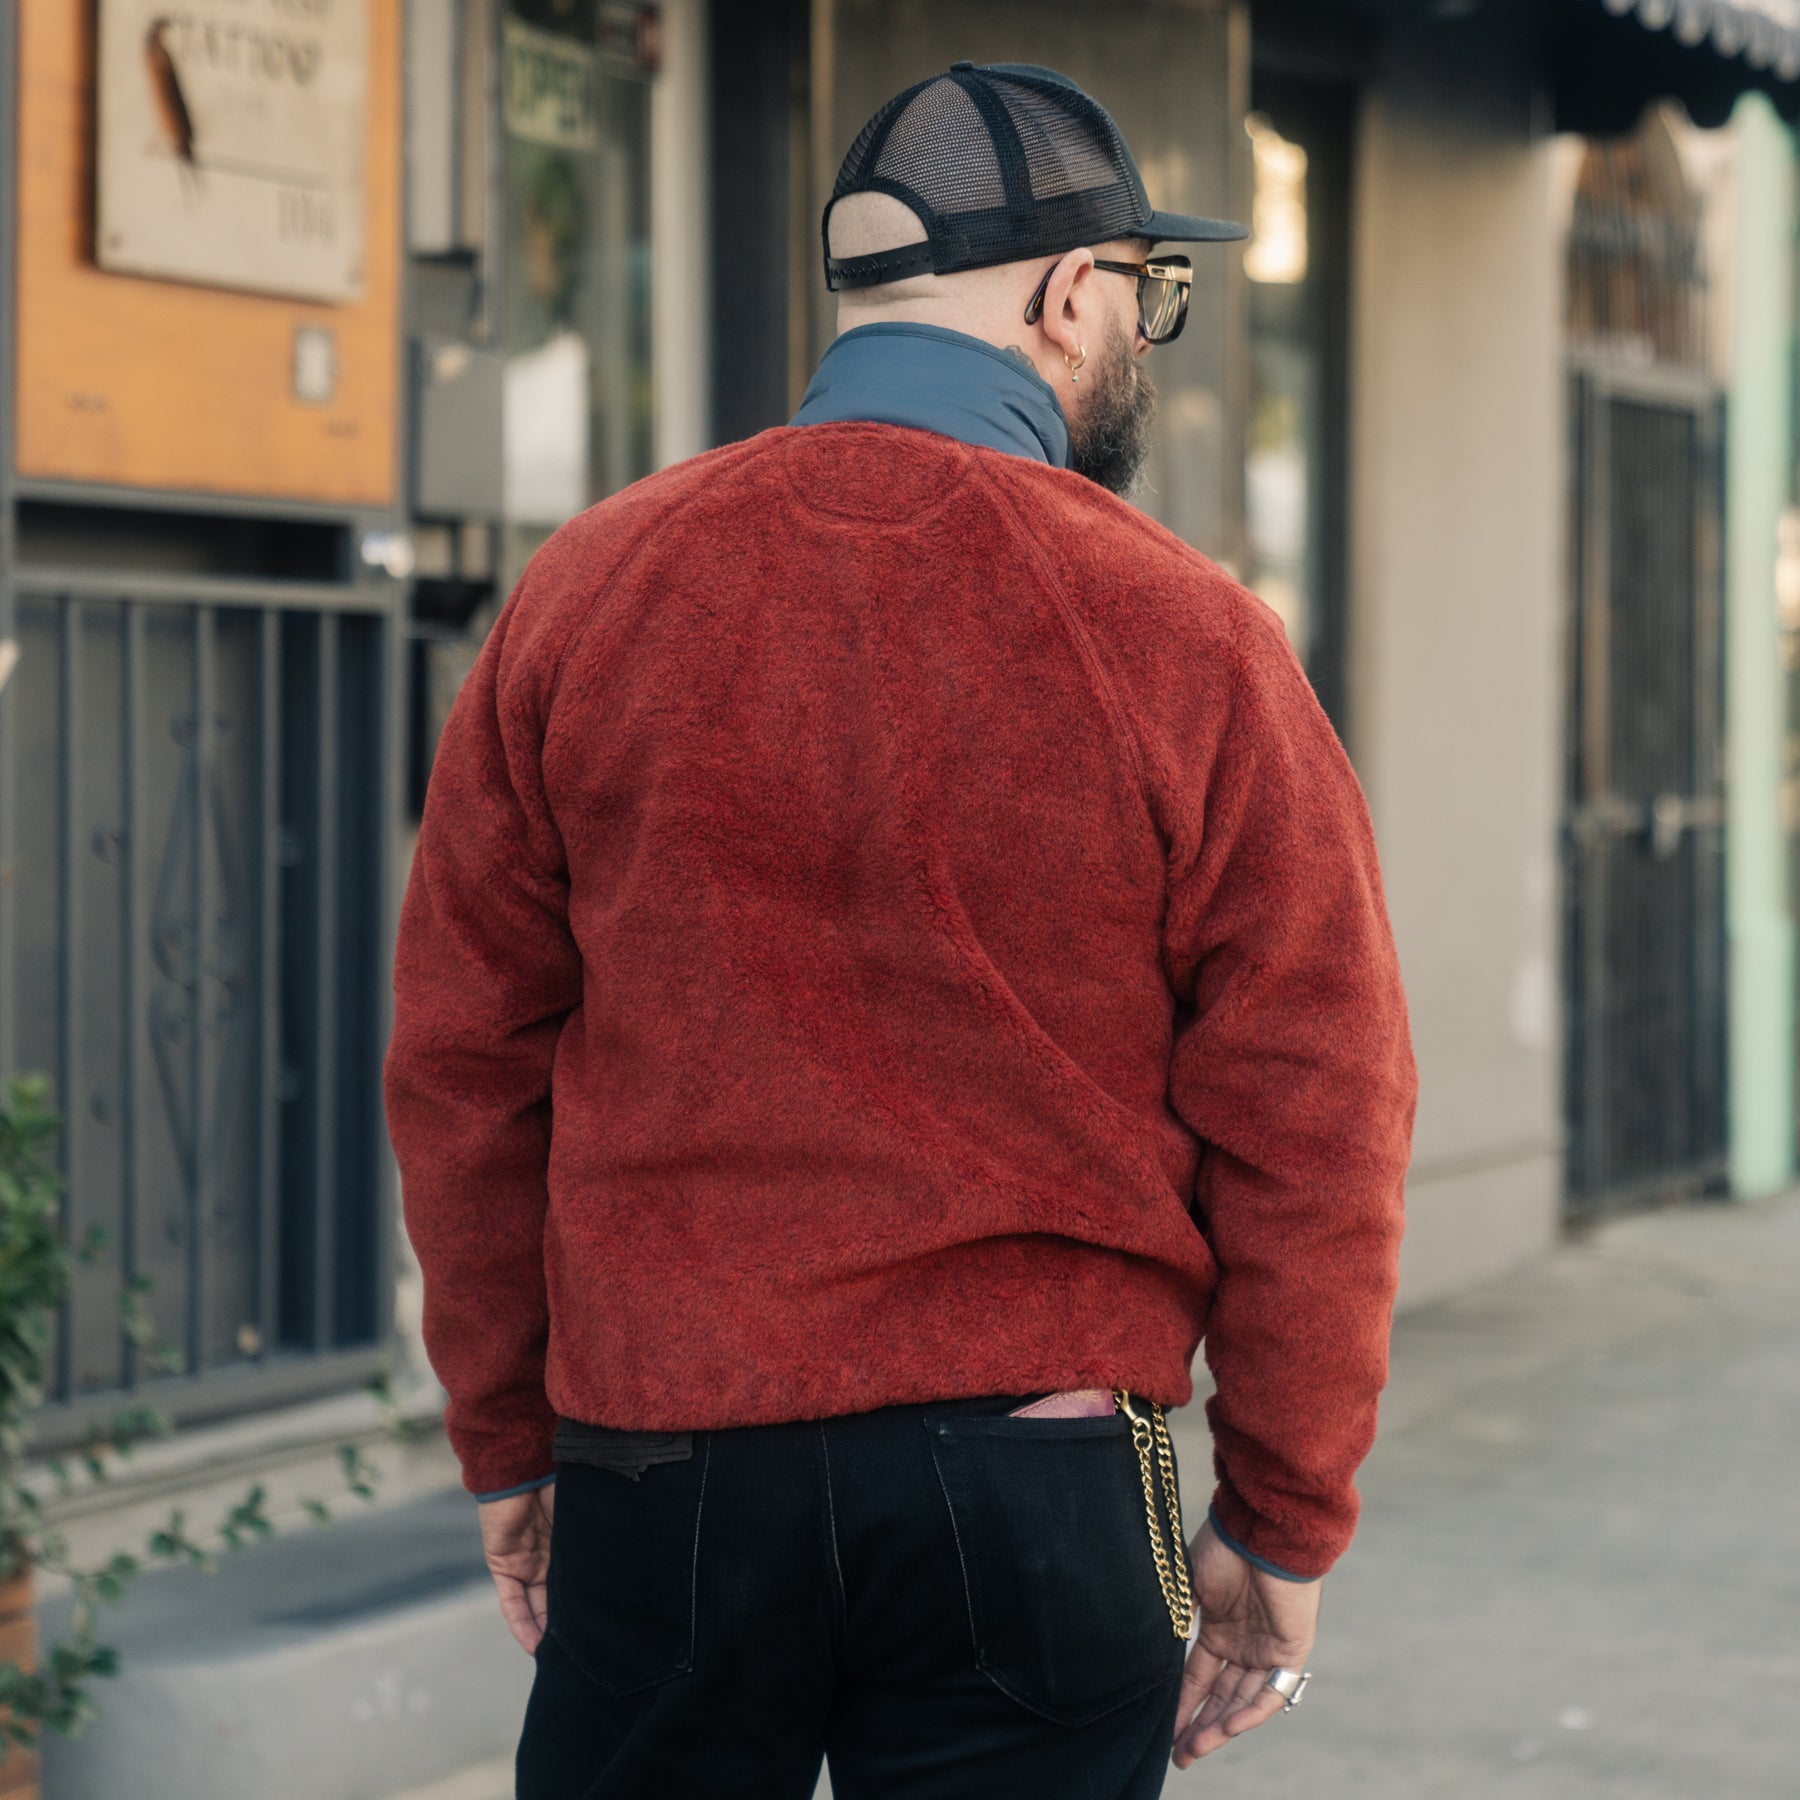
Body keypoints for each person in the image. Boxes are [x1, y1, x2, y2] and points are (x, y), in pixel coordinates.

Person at [385, 60, 1418, 1800]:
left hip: (662, 1451)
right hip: (1048, 1472)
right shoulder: (1187, 638)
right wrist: (1283, 1513)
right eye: (1147, 294)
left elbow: (464, 1062)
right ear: (1069, 295)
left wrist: (506, 1436)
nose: (1142, 334)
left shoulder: (590, 589)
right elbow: (1321, 1105)